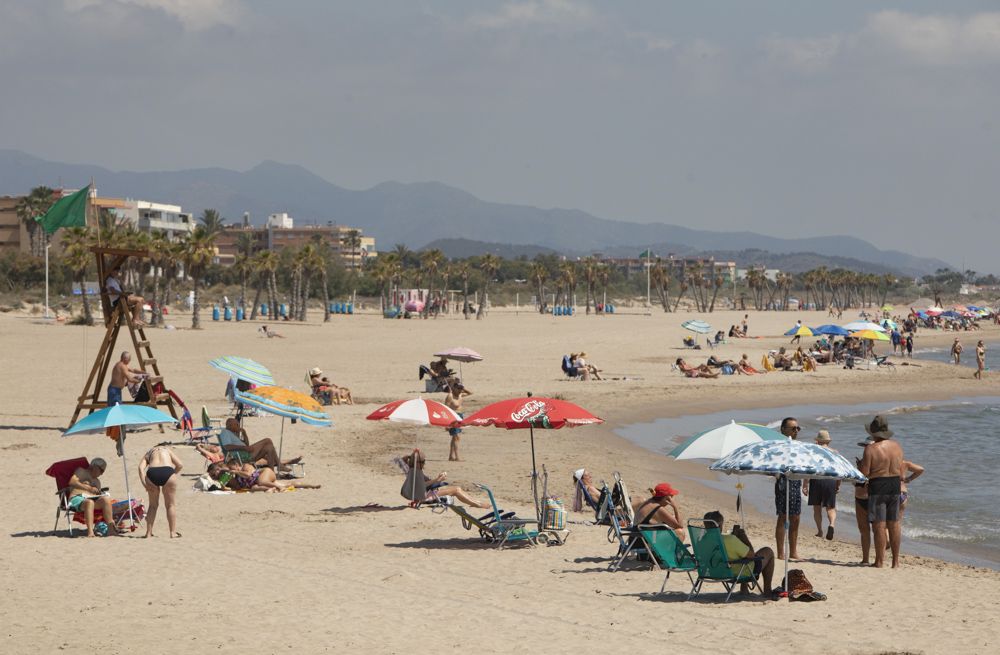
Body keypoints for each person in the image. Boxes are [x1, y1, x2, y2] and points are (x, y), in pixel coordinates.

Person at [858, 415, 904, 568]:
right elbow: (900, 469)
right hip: (895, 483)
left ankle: (879, 561)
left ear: (873, 431)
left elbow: (865, 473)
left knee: (879, 524)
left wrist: (859, 466)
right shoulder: (897, 446)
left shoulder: (871, 449)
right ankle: (896, 562)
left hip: (878, 485)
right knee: (895, 524)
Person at [704, 510, 775, 596]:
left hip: (714, 572)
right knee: (768, 551)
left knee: (738, 556)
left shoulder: (702, 541)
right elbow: (752, 555)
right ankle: (767, 590)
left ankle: (744, 589)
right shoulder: (730, 540)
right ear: (720, 526)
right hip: (736, 573)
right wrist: (743, 537)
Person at [398, 452, 489, 508]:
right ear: (418, 462)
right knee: (456, 489)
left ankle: (475, 502)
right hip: (422, 496)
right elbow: (422, 485)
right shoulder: (415, 472)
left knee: (456, 489)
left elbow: (401, 460)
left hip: (416, 495)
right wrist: (437, 480)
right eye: (423, 462)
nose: (424, 463)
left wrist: (412, 456)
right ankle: (477, 504)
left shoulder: (411, 469)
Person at [66, 458, 121, 537]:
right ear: (94, 466)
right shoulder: (81, 471)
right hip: (76, 498)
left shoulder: (97, 482)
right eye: (101, 470)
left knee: (106, 499)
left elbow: (97, 496)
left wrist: (98, 493)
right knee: (89, 502)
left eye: (103, 471)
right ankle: (90, 532)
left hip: (90, 499)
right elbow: (72, 481)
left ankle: (111, 529)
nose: (102, 473)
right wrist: (89, 488)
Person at [218, 418, 301, 470]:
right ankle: (279, 465)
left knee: (269, 447)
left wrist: (244, 433)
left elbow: (246, 444)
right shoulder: (225, 432)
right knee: (267, 440)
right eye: (236, 424)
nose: (238, 426)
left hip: (245, 453)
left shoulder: (232, 434)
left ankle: (271, 471)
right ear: (230, 425)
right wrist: (244, 448)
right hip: (241, 455)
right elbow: (227, 447)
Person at [138, 445, 183, 538]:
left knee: (152, 506)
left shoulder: (149, 452)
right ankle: (172, 533)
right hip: (168, 471)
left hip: (152, 473)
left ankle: (148, 533)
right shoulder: (167, 450)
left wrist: (144, 484)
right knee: (170, 505)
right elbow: (180, 465)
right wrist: (172, 474)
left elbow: (140, 468)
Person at [803, 430, 839, 540]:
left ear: (817, 441)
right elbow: (839, 470)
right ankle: (832, 524)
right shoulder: (835, 452)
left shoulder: (813, 452)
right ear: (828, 441)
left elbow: (809, 468)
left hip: (816, 480)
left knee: (817, 509)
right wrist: (838, 484)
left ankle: (820, 531)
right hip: (830, 480)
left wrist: (805, 484)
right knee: (830, 508)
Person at [774, 417, 802, 560]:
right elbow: (771, 463)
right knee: (783, 516)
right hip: (784, 482)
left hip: (796, 481)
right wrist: (777, 474)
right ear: (783, 430)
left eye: (798, 428)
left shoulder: (798, 446)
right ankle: (780, 552)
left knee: (796, 517)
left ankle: (793, 551)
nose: (796, 431)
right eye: (793, 428)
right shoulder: (779, 445)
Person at [207, 462, 321, 492]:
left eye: (214, 474)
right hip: (261, 481)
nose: (214, 476)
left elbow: (248, 474)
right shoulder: (227, 477)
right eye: (213, 476)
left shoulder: (243, 467)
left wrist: (234, 473)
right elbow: (236, 487)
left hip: (265, 473)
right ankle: (312, 485)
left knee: (261, 483)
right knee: (289, 484)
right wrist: (222, 486)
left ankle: (278, 488)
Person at [854, 440, 873, 565]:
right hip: (863, 496)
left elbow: (860, 480)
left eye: (867, 447)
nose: (866, 449)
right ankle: (866, 559)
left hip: (865, 496)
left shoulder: (865, 462)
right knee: (867, 529)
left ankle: (868, 558)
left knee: (866, 529)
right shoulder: (863, 461)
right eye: (865, 447)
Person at [444, 381, 471, 461]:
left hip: (460, 417)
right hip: (453, 417)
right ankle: (457, 457)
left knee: (454, 437)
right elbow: (446, 409)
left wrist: (463, 389)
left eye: (461, 389)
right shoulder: (450, 396)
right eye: (458, 388)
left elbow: (470, 393)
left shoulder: (460, 395)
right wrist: (447, 423)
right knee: (456, 437)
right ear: (454, 388)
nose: (460, 390)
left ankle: (451, 456)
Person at [898, 459, 925, 524]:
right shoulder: (904, 463)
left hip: (887, 493)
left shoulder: (883, 463)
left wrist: (868, 480)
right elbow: (921, 469)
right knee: (898, 523)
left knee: (885, 525)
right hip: (902, 494)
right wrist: (909, 478)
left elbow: (868, 476)